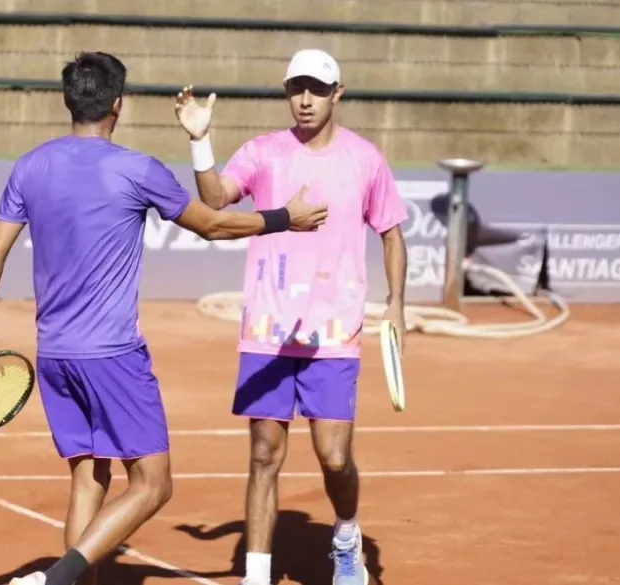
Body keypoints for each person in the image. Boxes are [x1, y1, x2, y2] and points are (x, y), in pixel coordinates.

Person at [0, 51, 329, 585]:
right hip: (113, 356)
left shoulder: (30, 166)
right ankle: (52, 580)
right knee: (153, 484)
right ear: (118, 105)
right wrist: (285, 217)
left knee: (89, 478)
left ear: (69, 102)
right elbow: (214, 225)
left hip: (55, 355)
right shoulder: (137, 169)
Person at [173, 49, 410, 585]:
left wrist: (396, 302)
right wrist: (200, 141)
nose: (306, 100)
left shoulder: (365, 159)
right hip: (268, 330)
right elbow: (215, 199)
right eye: (296, 88)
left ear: (337, 94)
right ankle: (256, 574)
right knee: (264, 454)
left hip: (334, 332)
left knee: (334, 457)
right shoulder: (263, 153)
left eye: (317, 90)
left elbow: (392, 234)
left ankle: (345, 536)